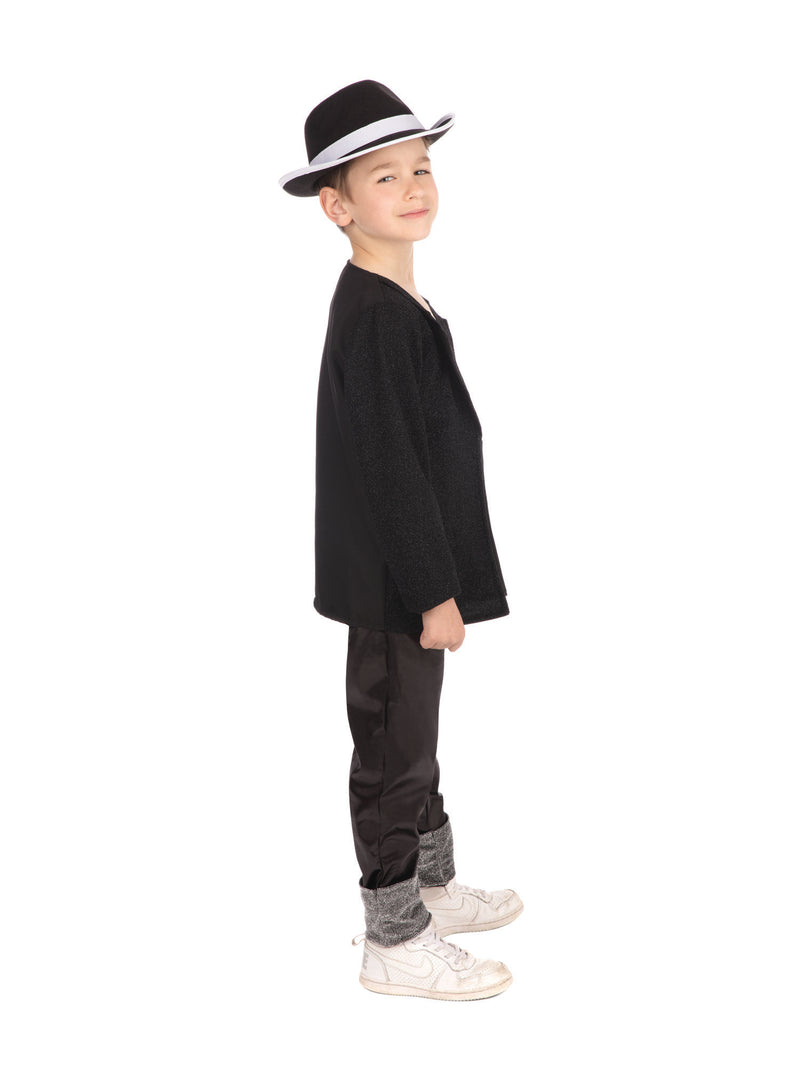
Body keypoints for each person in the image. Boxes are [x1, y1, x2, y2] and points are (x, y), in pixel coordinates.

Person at [279, 80, 522, 1001]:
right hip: (394, 584)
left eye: (421, 168)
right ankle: (393, 933)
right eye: (385, 176)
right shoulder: (376, 315)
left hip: (411, 574)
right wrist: (432, 590)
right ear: (337, 207)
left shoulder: (393, 297)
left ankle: (430, 883)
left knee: (415, 737)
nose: (415, 186)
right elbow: (390, 470)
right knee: (391, 748)